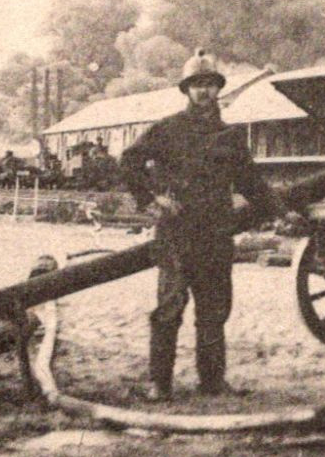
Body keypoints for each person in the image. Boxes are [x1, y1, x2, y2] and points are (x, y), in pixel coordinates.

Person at [120, 52, 285, 400]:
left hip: (215, 234)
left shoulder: (230, 136)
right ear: (186, 90)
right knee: (169, 309)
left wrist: (280, 211)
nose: (204, 92)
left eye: (210, 85)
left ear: (218, 90)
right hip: (176, 235)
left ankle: (212, 382)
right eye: (197, 85)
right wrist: (152, 200)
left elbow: (250, 182)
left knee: (214, 311)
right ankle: (159, 384)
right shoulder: (167, 129)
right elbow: (129, 162)